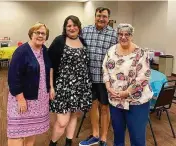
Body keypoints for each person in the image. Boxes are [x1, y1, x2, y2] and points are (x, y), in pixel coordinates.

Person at [102, 23, 153, 146]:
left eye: (127, 34)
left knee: (137, 137)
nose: (123, 37)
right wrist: (108, 86)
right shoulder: (111, 50)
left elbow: (143, 77)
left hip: (136, 102)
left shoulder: (140, 53)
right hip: (115, 101)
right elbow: (105, 69)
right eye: (120, 34)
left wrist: (127, 92)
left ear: (132, 36)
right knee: (118, 136)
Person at [7, 22, 54, 146]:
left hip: (39, 100)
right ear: (31, 34)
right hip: (23, 98)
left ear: (46, 36)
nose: (40, 35)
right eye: (37, 32)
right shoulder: (21, 51)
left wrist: (51, 87)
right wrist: (20, 99)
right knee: (16, 133)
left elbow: (49, 69)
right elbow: (13, 77)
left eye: (43, 33)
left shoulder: (44, 50)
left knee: (31, 131)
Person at [48, 15, 92, 146]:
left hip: (81, 86)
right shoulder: (59, 41)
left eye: (74, 25)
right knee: (62, 122)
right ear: (65, 28)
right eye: (69, 26)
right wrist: (51, 86)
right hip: (63, 87)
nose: (72, 28)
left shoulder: (82, 41)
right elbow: (50, 64)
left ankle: (68, 143)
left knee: (74, 116)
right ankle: (53, 143)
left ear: (79, 27)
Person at [79, 7, 117, 146]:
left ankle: (103, 138)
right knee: (93, 106)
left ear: (108, 18)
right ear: (95, 16)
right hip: (88, 78)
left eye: (105, 16)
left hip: (105, 80)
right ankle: (95, 135)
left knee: (105, 107)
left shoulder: (114, 35)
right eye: (99, 15)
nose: (101, 19)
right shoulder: (85, 31)